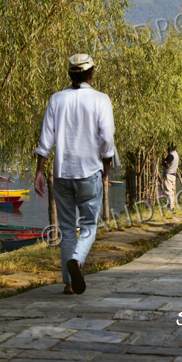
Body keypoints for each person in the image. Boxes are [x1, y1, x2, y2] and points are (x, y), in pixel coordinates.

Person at [34, 54, 114, 295]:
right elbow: (107, 138)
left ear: (70, 74)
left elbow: (46, 138)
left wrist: (39, 170)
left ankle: (69, 283)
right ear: (92, 74)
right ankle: (77, 260)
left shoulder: (56, 99)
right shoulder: (101, 99)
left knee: (67, 229)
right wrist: (107, 165)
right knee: (89, 225)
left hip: (62, 173)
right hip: (89, 171)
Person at [162, 143, 179, 212]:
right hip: (173, 174)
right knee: (172, 191)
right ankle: (172, 205)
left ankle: (170, 206)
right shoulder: (176, 154)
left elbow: (166, 165)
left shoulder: (171, 155)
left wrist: (163, 156)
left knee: (168, 191)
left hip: (169, 174)